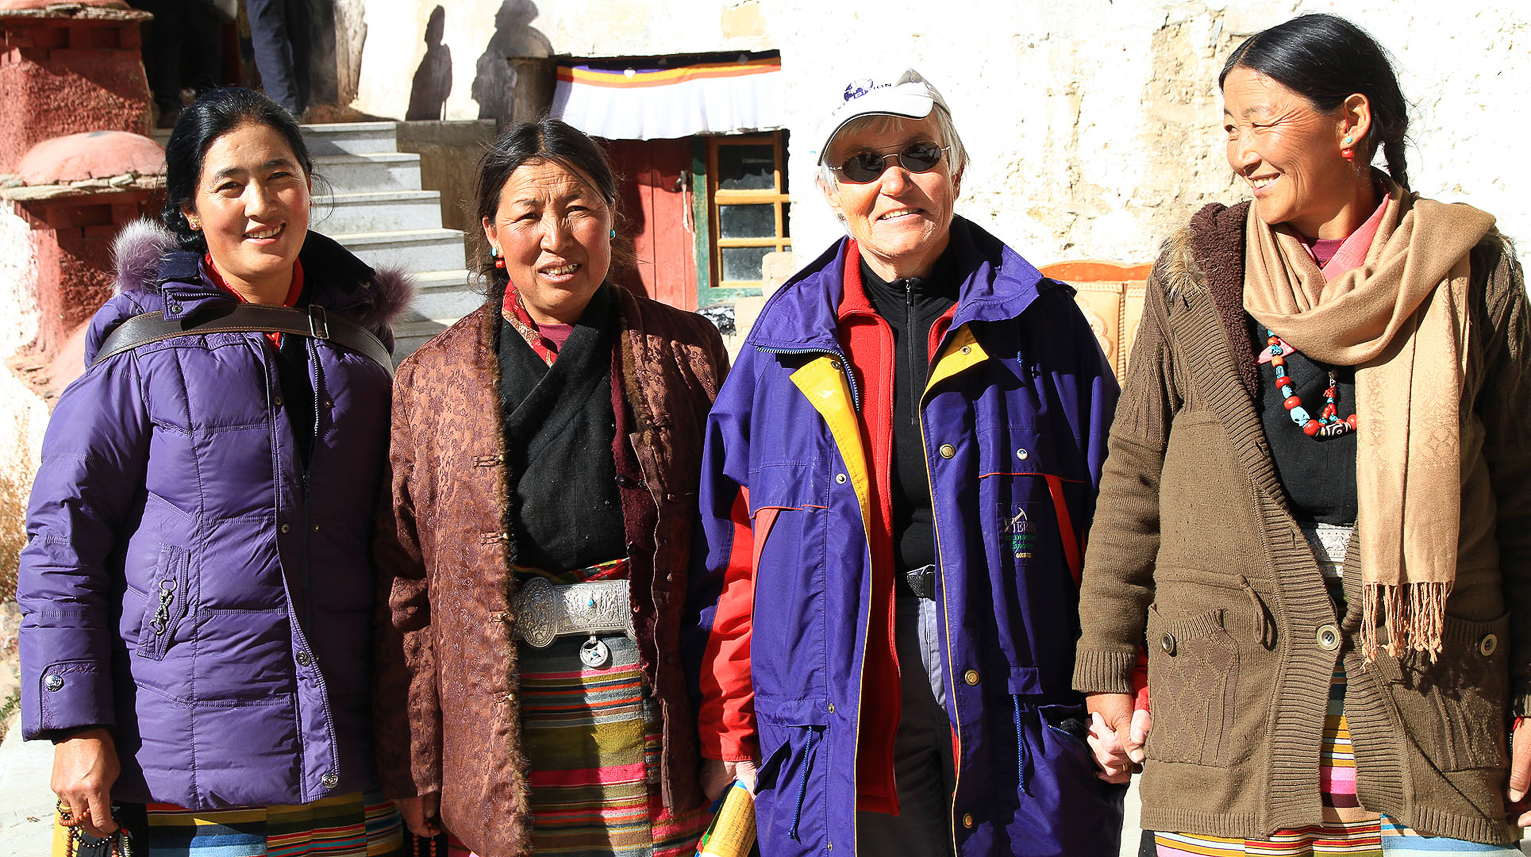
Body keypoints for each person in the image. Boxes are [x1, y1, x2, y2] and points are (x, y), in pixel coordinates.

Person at [1074, 13, 1531, 855]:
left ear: (1350, 123)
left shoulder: (1469, 272)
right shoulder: (1195, 274)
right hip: (1227, 714)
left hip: (1433, 706)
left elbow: (1521, 493)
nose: (1239, 151)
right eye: (1227, 126)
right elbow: (1133, 474)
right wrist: (1104, 659)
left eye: (1261, 121)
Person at [690, 68, 1124, 857]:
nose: (893, 183)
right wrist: (728, 719)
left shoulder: (1043, 328)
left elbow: (1118, 526)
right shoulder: (782, 345)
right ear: (829, 191)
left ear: (954, 170)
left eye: (919, 153)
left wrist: (1121, 679)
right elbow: (737, 559)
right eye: (862, 164)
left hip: (1009, 680)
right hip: (845, 682)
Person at [17, 87, 412, 855]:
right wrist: (74, 722)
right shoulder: (141, 350)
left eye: (281, 176)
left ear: (308, 186)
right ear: (190, 211)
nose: (261, 204)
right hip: (188, 762)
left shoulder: (359, 353)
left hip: (347, 754)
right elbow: (62, 542)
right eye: (230, 185)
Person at [371, 118, 727, 857]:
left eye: (577, 208)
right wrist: (417, 758)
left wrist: (732, 719)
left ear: (611, 219)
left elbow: (732, 555)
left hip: (650, 697)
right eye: (528, 214)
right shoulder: (430, 380)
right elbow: (404, 581)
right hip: (501, 712)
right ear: (493, 237)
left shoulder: (686, 352)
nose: (555, 236)